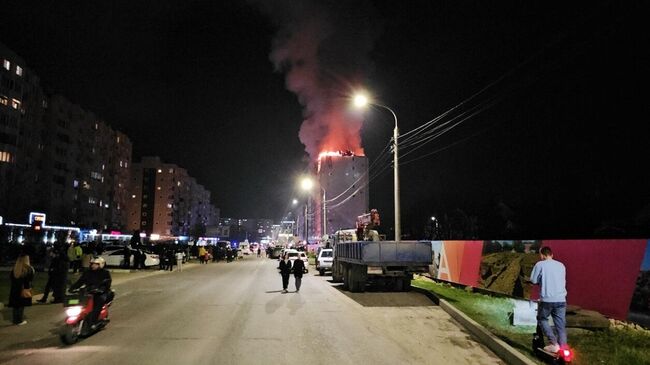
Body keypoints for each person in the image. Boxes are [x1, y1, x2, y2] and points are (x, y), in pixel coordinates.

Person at [530, 246, 567, 353]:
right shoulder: (561, 265)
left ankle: (553, 343)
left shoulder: (540, 264)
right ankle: (563, 348)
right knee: (560, 325)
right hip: (561, 299)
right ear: (552, 254)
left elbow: (533, 280)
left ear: (542, 255)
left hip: (547, 300)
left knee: (542, 319)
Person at [70, 257, 112, 329]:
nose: (93, 266)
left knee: (98, 302)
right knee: (78, 302)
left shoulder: (105, 273)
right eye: (92, 264)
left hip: (100, 292)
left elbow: (107, 283)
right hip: (89, 291)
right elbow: (80, 281)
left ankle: (94, 321)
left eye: (96, 264)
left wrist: (101, 289)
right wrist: (72, 288)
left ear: (100, 265)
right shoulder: (87, 272)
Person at [8, 254, 35, 325]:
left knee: (15, 306)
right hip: (23, 289)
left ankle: (15, 320)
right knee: (21, 305)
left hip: (14, 289)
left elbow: (11, 278)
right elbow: (30, 279)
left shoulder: (15, 268)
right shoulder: (28, 269)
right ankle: (19, 320)